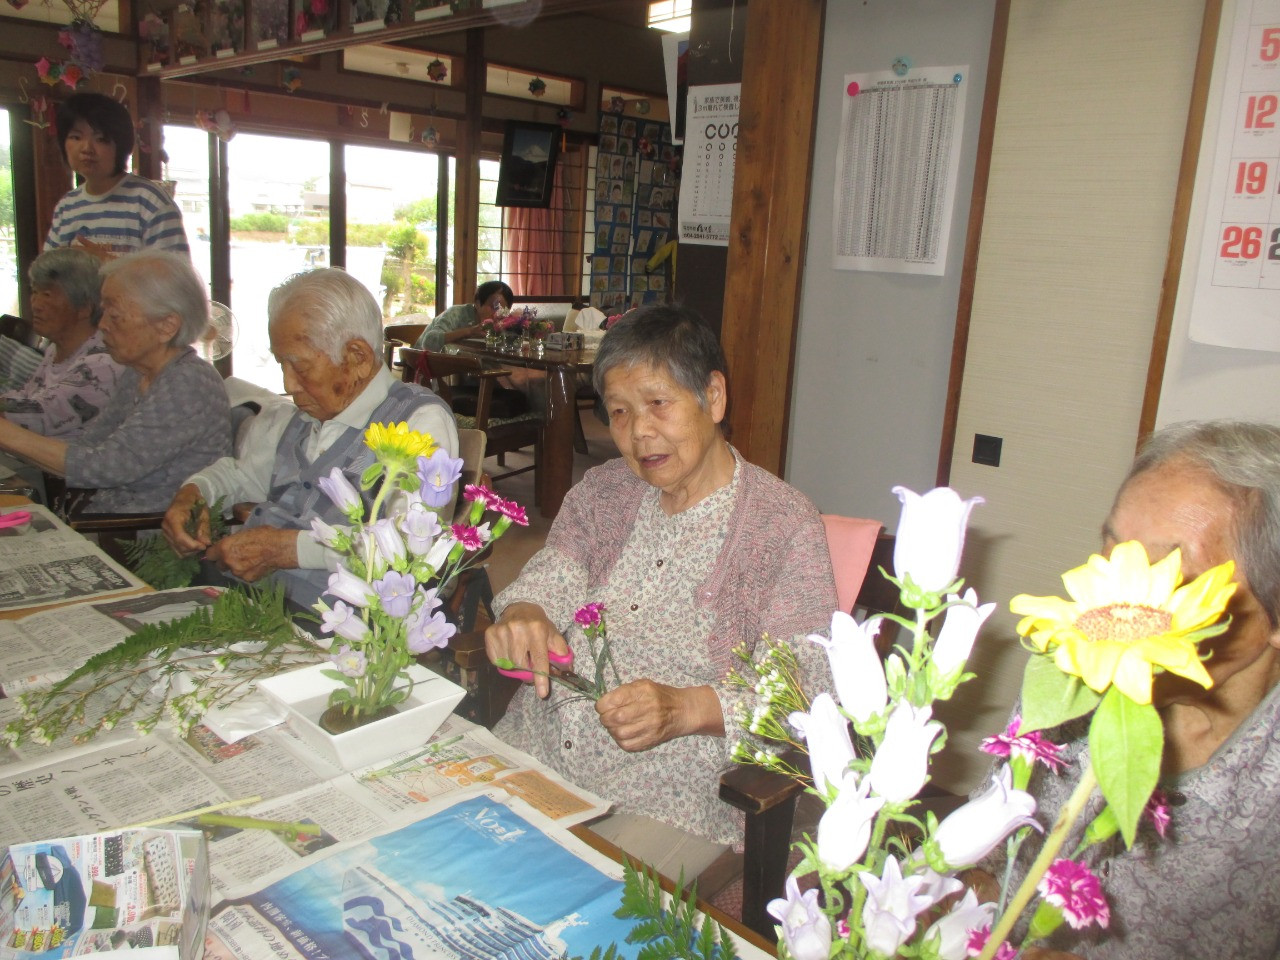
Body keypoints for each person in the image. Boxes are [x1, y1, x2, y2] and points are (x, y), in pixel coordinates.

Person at [484, 304, 837, 877]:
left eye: (658, 404)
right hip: (536, 750)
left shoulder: (782, 524)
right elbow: (554, 572)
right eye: (619, 413)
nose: (638, 432)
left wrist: (688, 708)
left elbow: (807, 689)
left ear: (714, 397)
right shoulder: (605, 491)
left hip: (665, 797)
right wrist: (525, 610)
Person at [991, 420, 1280, 960]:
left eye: (1174, 576)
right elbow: (992, 861)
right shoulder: (1068, 686)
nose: (1121, 604)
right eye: (1115, 554)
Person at [161, 268, 458, 611]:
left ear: (357, 358)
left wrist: (288, 549)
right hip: (247, 598)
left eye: (298, 366)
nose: (288, 384)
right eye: (281, 364)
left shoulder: (419, 421)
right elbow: (242, 476)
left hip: (330, 624)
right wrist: (194, 493)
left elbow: (408, 543)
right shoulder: (301, 417)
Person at [0, 250, 230, 512]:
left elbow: (108, 466)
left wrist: (8, 435)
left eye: (115, 315)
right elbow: (89, 446)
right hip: (105, 520)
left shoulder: (189, 382)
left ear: (167, 326)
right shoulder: (137, 372)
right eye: (104, 311)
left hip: (143, 537)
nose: (102, 325)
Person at [44, 93, 189, 257]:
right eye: (76, 137)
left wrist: (108, 266)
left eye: (101, 139)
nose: (86, 148)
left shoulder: (149, 201)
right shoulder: (67, 206)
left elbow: (176, 278)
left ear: (121, 147)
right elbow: (49, 273)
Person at [1, 248, 122, 438]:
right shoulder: (57, 349)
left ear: (84, 308)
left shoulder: (103, 364)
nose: (36, 304)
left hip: (62, 465)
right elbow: (27, 395)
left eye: (47, 295)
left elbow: (40, 415)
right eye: (34, 292)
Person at [412, 281, 513, 351]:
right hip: (427, 366)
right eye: (493, 307)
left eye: (503, 310)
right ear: (477, 303)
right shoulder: (457, 313)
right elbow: (429, 342)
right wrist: (470, 331)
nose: (497, 314)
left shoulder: (502, 323)